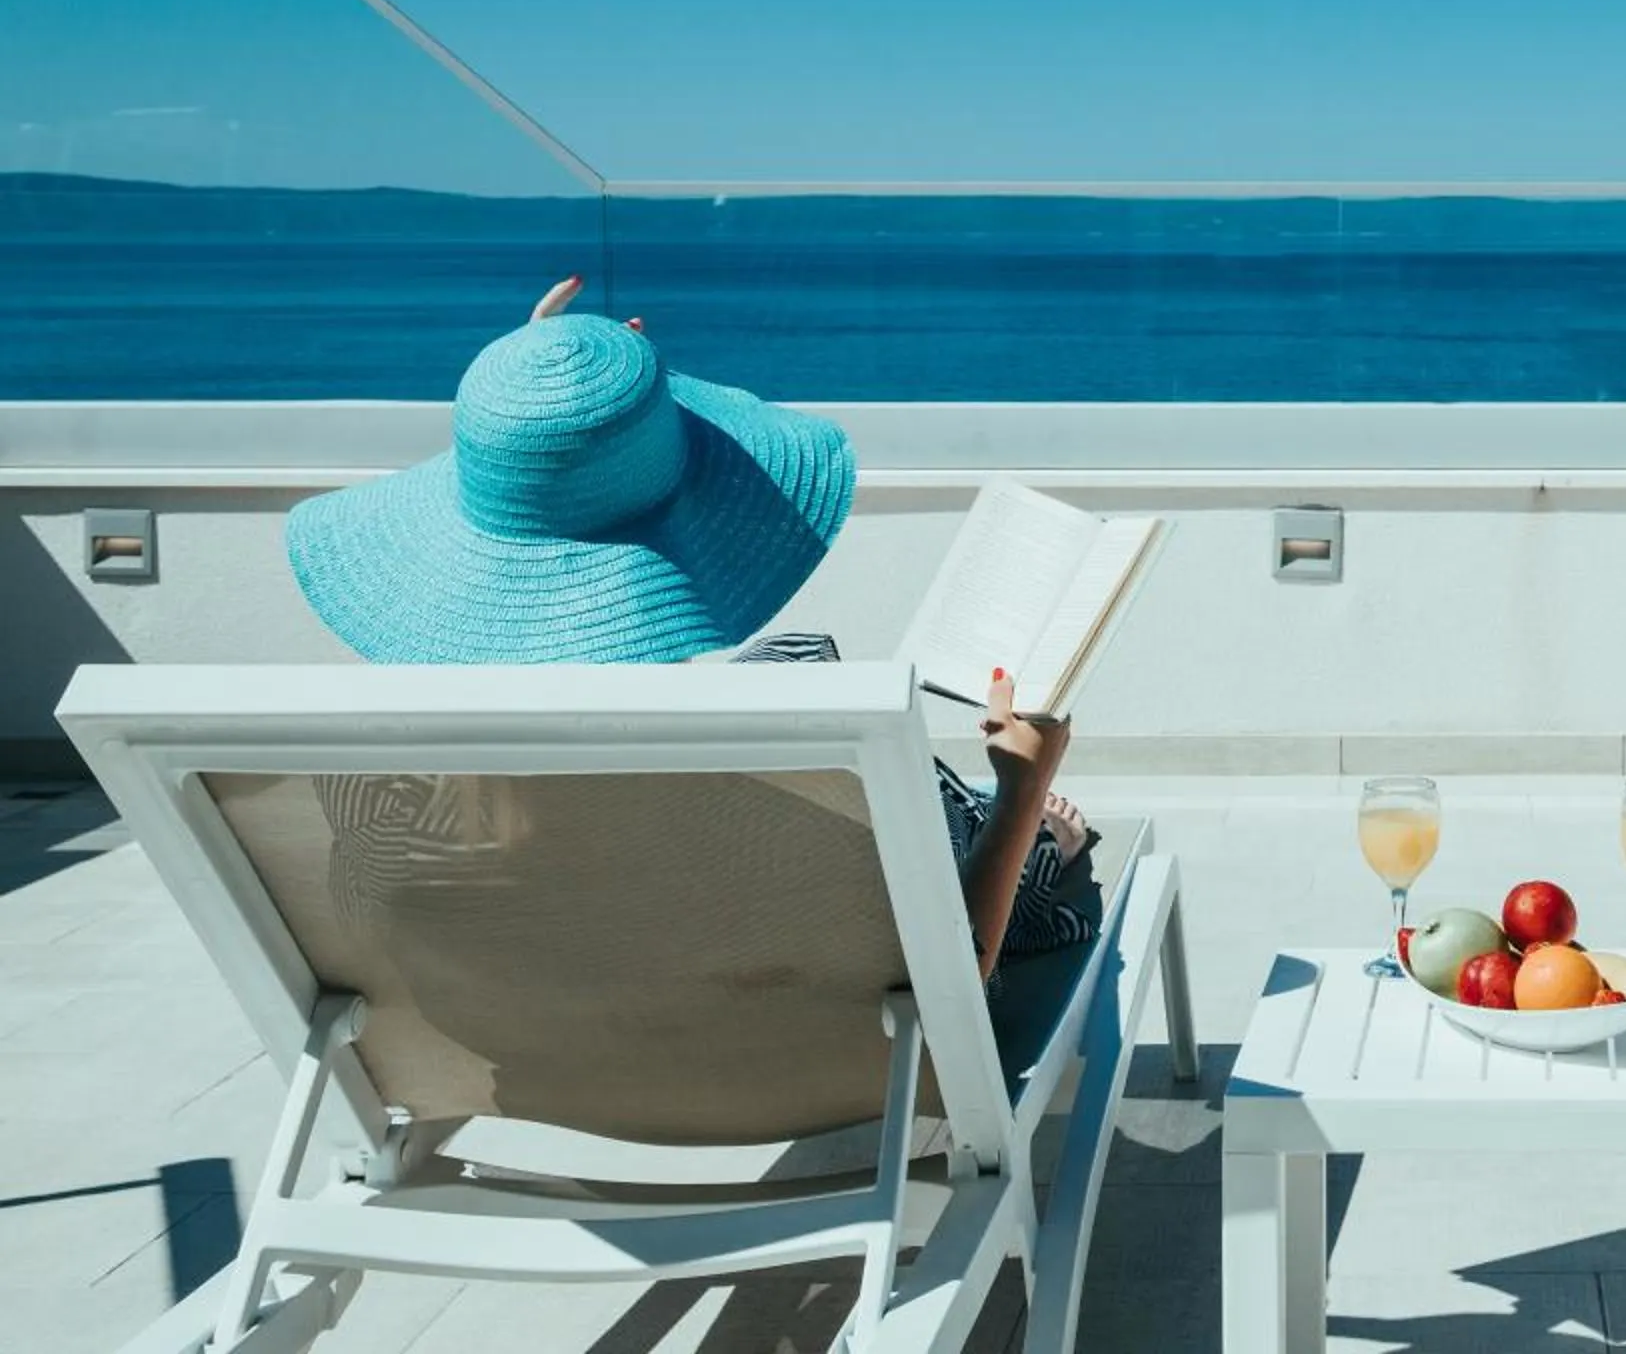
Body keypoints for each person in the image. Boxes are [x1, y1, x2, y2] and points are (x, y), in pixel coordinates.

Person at [283, 277, 1095, 983]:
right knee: (839, 716)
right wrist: (1023, 789)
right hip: (796, 1052)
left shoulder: (382, 795)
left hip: (537, 1055)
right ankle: (1031, 833)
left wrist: (541, 405)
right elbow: (949, 971)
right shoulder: (764, 781)